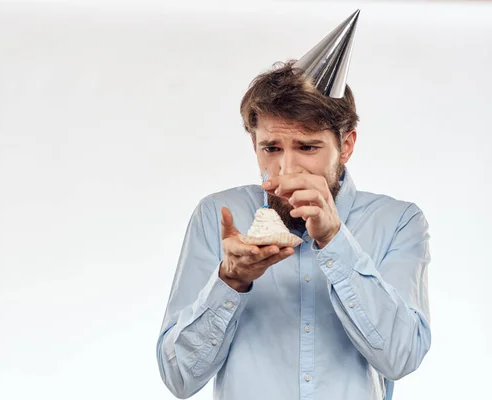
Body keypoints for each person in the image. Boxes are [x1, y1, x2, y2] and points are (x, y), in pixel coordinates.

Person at [156, 10, 431, 400]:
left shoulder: (398, 222)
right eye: (271, 148)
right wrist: (231, 280)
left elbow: (402, 358)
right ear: (255, 145)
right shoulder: (218, 216)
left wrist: (335, 240)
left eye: (307, 147)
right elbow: (179, 378)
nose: (286, 169)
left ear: (346, 146)